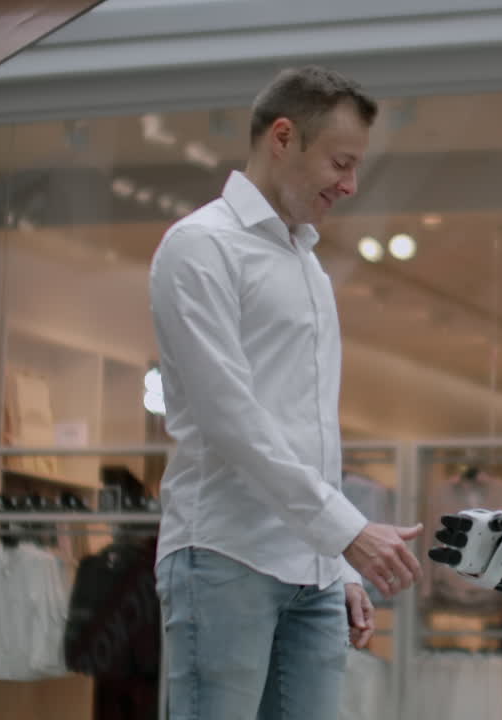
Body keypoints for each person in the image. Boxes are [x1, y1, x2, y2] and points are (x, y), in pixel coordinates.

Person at [149, 66, 423, 720]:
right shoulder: (199, 246)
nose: (350, 185)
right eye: (340, 162)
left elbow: (310, 431)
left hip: (315, 571)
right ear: (282, 137)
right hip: (224, 556)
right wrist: (348, 532)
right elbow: (231, 419)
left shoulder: (308, 264)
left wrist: (341, 561)